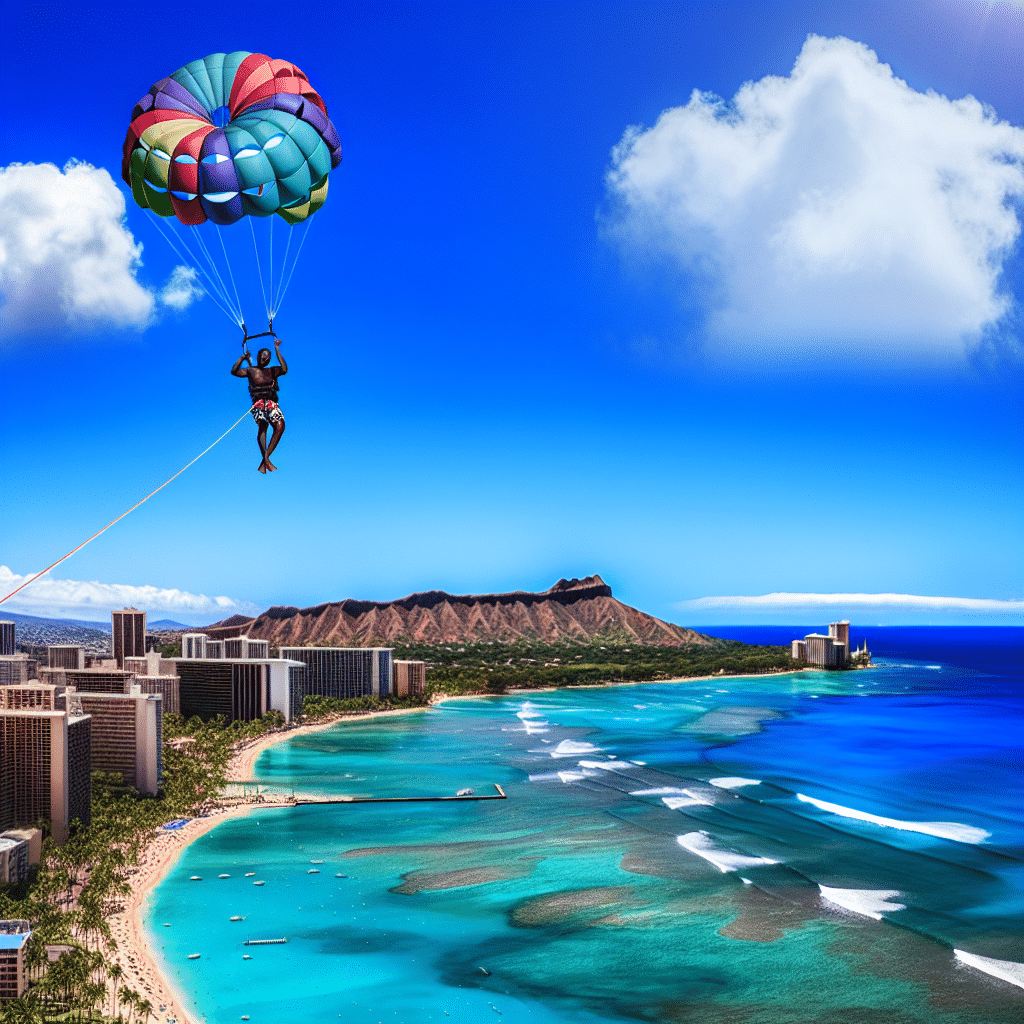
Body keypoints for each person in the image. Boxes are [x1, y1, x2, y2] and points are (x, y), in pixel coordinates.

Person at [231, 338, 288, 473]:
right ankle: (266, 459)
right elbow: (234, 371)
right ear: (258, 357)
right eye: (263, 356)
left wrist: (277, 348)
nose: (265, 358)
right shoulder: (250, 370)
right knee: (263, 425)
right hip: (258, 405)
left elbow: (284, 369)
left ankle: (265, 459)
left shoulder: (273, 371)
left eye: (268, 357)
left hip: (271, 403)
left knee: (280, 426)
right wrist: (242, 357)